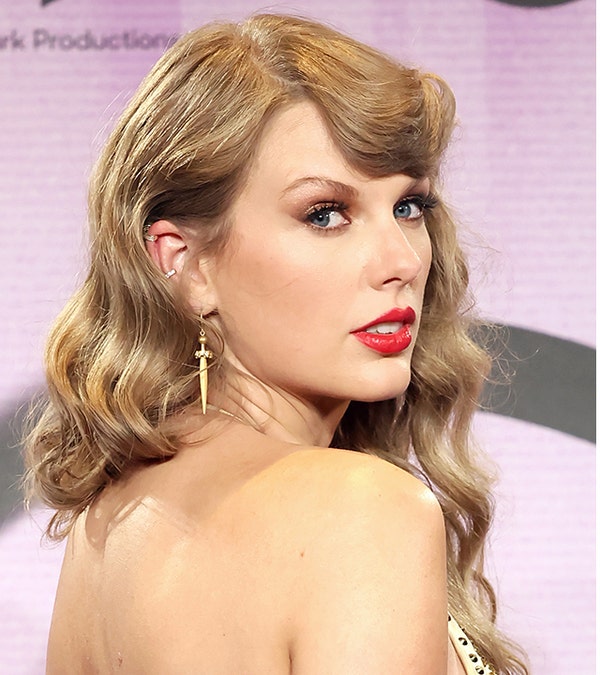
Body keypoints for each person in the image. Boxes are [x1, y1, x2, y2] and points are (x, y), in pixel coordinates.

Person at [24, 14, 525, 674]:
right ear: (186, 262)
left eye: (409, 206)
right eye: (326, 214)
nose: (401, 258)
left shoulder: (106, 525)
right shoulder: (361, 511)